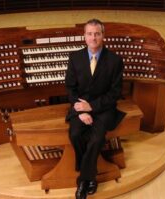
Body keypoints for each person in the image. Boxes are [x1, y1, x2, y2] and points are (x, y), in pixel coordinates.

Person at [65, 19, 126, 199]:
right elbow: (70, 88)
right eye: (90, 34)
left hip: (104, 109)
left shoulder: (115, 61)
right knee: (75, 134)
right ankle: (90, 171)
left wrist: (91, 106)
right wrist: (82, 111)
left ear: (103, 36)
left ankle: (85, 180)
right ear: (84, 36)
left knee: (96, 139)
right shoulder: (74, 57)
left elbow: (115, 93)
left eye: (97, 34)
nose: (93, 37)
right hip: (80, 107)